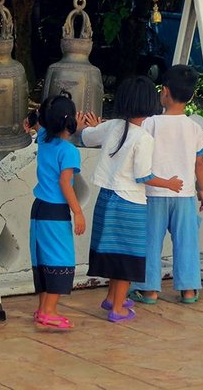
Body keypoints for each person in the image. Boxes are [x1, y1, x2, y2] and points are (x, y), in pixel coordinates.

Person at [78, 76, 183, 322]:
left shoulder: (113, 126)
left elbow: (86, 137)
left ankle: (112, 298)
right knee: (127, 258)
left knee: (114, 253)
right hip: (129, 204)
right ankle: (117, 309)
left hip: (106, 199)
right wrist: (169, 183)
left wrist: (87, 126)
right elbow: (143, 176)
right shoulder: (144, 138)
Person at [128, 65, 203, 305]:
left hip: (153, 192)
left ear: (164, 92)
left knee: (150, 242)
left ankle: (149, 290)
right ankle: (189, 289)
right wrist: (202, 189)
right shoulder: (194, 126)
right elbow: (200, 163)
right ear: (191, 96)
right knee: (186, 243)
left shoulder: (150, 123)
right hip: (184, 195)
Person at [30, 92, 85, 329]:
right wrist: (78, 211)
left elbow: (37, 124)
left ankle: (43, 308)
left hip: (39, 209)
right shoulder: (69, 151)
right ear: (69, 122)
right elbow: (65, 183)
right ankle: (49, 311)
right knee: (61, 259)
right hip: (56, 211)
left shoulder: (43, 138)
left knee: (44, 259)